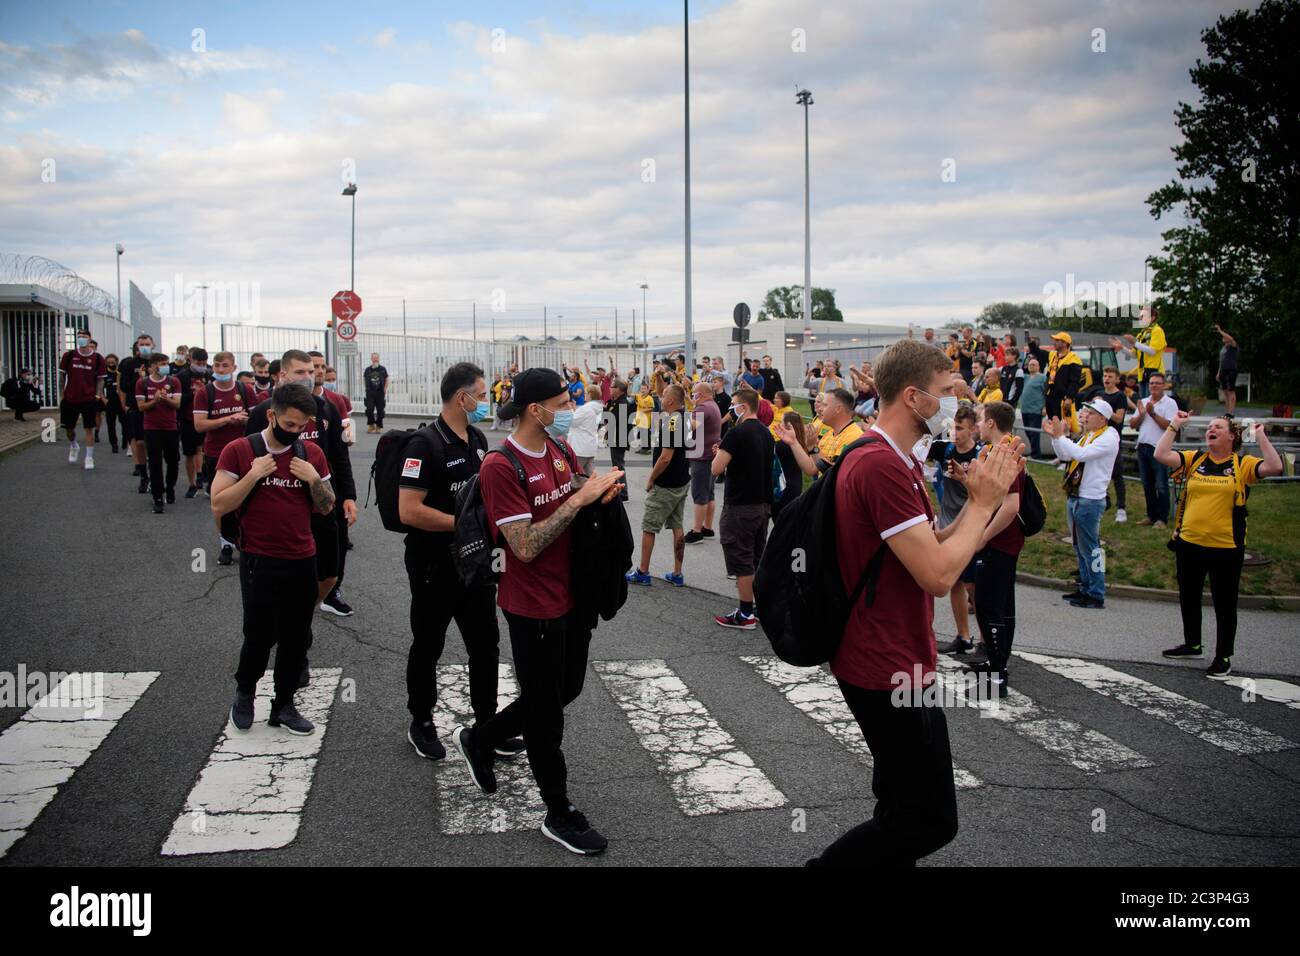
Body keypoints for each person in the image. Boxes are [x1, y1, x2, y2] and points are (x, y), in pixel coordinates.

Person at [807, 339, 1022, 867]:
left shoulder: (894, 459)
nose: (956, 402)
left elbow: (931, 546)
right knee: (927, 819)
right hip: (885, 664)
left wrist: (982, 511)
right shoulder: (880, 465)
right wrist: (982, 502)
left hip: (894, 655)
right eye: (947, 391)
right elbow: (938, 576)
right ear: (913, 397)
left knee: (902, 807)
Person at [452, 368, 623, 857]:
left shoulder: (560, 448)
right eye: (562, 403)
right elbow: (523, 545)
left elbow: (571, 495)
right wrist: (579, 499)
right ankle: (558, 811)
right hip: (532, 606)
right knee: (546, 711)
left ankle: (481, 738)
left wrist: (598, 489)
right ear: (535, 409)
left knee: (566, 688)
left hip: (574, 595)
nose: (570, 412)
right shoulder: (500, 466)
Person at [398, 362, 524, 760]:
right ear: (461, 397)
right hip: (433, 565)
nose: (486, 402)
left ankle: (487, 726)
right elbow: (409, 511)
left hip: (475, 566)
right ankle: (421, 721)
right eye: (482, 395)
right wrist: (464, 526)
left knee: (485, 645)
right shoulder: (424, 444)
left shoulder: (478, 439)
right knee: (428, 644)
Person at [212, 383, 335, 737]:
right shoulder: (240, 450)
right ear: (271, 415)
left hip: (301, 557)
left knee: (297, 637)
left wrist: (314, 480)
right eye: (290, 424)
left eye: (302, 426)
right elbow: (219, 505)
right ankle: (245, 692)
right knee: (259, 634)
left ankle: (283, 704)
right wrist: (253, 474)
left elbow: (326, 508)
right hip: (259, 559)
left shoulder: (311, 454)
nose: (295, 431)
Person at [1158, 413, 1284, 677]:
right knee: (1188, 596)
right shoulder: (1195, 460)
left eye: (1218, 427)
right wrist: (1175, 425)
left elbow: (1274, 467)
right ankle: (1193, 643)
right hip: (1189, 543)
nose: (1210, 430)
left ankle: (1224, 655)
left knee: (1224, 603)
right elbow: (1161, 454)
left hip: (1225, 547)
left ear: (1232, 436)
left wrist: (1261, 435)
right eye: (1209, 427)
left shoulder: (1242, 464)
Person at [245, 351, 357, 629]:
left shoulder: (325, 408)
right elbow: (248, 459)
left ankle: (321, 600)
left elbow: (339, 456)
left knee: (331, 567)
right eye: (300, 372)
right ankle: (290, 621)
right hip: (281, 504)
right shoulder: (262, 413)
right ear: (282, 375)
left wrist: (349, 496)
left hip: (323, 499)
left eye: (311, 371)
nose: (309, 377)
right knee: (285, 569)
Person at [958, 402, 1024, 697]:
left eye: (982, 420)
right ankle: (998, 664)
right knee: (1000, 606)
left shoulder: (1005, 453)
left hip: (999, 542)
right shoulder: (1003, 451)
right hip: (1002, 541)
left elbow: (1011, 505)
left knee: (988, 606)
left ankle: (998, 675)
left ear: (993, 424)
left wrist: (983, 536)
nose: (978, 425)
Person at [1044, 398, 1120, 609]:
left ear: (1103, 419)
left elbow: (1081, 455)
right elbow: (1066, 455)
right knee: (1080, 547)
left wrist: (1061, 436)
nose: (1085, 415)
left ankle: (1096, 593)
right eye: (1086, 411)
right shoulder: (1090, 435)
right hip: (1077, 495)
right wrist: (1056, 439)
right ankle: (1085, 588)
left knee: (1092, 549)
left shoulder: (1108, 438)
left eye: (1091, 413)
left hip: (1090, 500)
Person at [711, 387, 773, 629]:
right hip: (762, 503)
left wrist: (719, 455)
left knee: (741, 558)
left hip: (740, 504)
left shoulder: (737, 433)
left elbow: (716, 469)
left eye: (733, 406)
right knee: (755, 556)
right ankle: (757, 605)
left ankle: (745, 613)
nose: (730, 410)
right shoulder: (766, 433)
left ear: (743, 407)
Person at [925, 404, 983, 655]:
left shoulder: (981, 457)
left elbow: (984, 496)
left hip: (970, 524)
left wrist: (964, 479)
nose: (954, 433)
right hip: (948, 523)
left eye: (960, 429)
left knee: (972, 585)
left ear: (972, 430)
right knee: (956, 583)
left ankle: (985, 638)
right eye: (952, 428)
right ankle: (963, 636)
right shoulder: (945, 449)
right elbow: (916, 447)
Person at [195, 352, 257, 565]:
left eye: (225, 366)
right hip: (216, 453)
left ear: (234, 367)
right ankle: (225, 543)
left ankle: (246, 539)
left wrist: (244, 420)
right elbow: (200, 425)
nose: (221, 370)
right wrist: (228, 419)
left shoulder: (245, 390)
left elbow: (256, 419)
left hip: (245, 452)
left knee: (248, 498)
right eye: (217, 366)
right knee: (222, 502)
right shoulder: (206, 392)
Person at [627, 384, 691, 586]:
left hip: (666, 483)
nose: (660, 398)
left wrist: (651, 478)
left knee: (649, 527)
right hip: (682, 479)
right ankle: (677, 573)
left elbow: (665, 457)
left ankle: (643, 571)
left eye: (663, 396)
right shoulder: (685, 416)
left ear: (671, 400)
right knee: (677, 525)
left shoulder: (672, 421)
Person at [777, 387, 863, 478]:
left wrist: (814, 448)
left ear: (838, 409)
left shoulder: (853, 437)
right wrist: (793, 442)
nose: (820, 409)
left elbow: (834, 474)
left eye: (825, 405)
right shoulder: (829, 434)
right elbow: (811, 469)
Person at [1129, 372, 1178, 528]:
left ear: (1164, 385)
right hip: (1142, 447)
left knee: (1161, 484)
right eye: (1151, 383)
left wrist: (1153, 414)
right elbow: (1132, 424)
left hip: (1159, 450)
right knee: (1147, 484)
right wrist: (1142, 414)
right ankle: (1151, 515)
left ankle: (1162, 518)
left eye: (1157, 383)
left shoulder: (1170, 403)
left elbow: (1169, 426)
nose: (1154, 386)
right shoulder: (1143, 401)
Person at [135, 354, 182, 514]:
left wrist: (164, 399)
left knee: (173, 461)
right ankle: (157, 496)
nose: (165, 366)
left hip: (171, 427)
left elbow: (177, 404)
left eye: (167, 363)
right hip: (151, 428)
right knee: (154, 463)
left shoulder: (173, 381)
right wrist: (155, 401)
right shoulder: (143, 383)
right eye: (162, 364)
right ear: (154, 366)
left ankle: (170, 488)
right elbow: (141, 407)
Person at [58, 329, 106, 470]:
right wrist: (62, 394)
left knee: (88, 428)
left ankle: (89, 457)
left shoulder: (98, 359)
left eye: (84, 336)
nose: (81, 338)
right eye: (79, 336)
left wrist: (97, 395)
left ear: (90, 339)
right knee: (69, 429)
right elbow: (62, 377)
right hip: (70, 398)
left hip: (89, 399)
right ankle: (74, 446)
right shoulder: (69, 355)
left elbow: (100, 380)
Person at [685, 380, 721, 544]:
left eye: (694, 393)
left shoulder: (703, 408)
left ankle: (697, 531)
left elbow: (689, 427)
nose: (693, 396)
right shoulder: (712, 405)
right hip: (709, 455)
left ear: (702, 394)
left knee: (699, 493)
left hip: (702, 456)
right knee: (709, 492)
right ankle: (707, 527)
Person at [1098, 366, 1135, 523]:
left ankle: (1121, 509)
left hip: (1113, 441)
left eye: (1110, 376)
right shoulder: (1100, 394)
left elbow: (1118, 418)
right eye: (1105, 376)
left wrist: (1104, 408)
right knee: (1099, 472)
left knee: (1117, 475)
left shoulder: (1120, 396)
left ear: (1117, 379)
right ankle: (1103, 501)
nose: (1107, 379)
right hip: (1099, 438)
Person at [174, 347, 212, 498]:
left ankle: (206, 478)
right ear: (191, 360)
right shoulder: (182, 376)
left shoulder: (209, 375)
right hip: (188, 419)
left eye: (204, 363)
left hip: (207, 420)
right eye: (198, 363)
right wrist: (193, 394)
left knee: (205, 450)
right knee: (190, 452)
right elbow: (177, 400)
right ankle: (192, 483)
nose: (202, 366)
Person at [772, 407, 805, 518]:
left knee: (780, 518)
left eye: (782, 421)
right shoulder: (801, 441)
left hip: (783, 485)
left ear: (788, 425)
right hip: (796, 483)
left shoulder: (783, 445)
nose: (780, 424)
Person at [604, 378, 633, 501]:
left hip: (619, 437)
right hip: (615, 436)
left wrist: (606, 411)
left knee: (618, 465)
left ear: (619, 390)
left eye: (612, 387)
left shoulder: (622, 404)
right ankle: (620, 490)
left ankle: (623, 493)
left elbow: (611, 420)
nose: (610, 389)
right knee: (617, 464)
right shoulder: (616, 402)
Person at [1044, 331, 1083, 422]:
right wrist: (1031, 343)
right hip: (1051, 395)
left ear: (1065, 343)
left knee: (1065, 425)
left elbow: (1075, 381)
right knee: (1052, 424)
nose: (1054, 342)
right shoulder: (1053, 355)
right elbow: (1040, 353)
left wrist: (1069, 397)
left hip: (1062, 399)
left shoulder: (1073, 358)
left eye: (1057, 340)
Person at [101, 354, 124, 453]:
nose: (111, 364)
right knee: (111, 425)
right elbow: (99, 389)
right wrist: (103, 399)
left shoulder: (120, 373)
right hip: (110, 402)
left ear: (117, 362)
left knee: (125, 423)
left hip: (121, 401)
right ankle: (114, 444)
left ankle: (125, 439)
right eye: (109, 363)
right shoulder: (104, 374)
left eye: (113, 362)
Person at [1214, 324, 1239, 414]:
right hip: (1223, 370)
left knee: (1231, 390)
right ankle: (1227, 411)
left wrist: (1220, 331)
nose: (1223, 337)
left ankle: (1231, 412)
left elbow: (1231, 339)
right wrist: (1218, 372)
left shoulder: (1233, 346)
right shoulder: (1223, 348)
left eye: (1225, 335)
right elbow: (1221, 361)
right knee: (1225, 391)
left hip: (1231, 370)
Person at [363, 353, 389, 432]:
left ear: (379, 359)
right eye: (374, 358)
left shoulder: (382, 369)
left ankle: (379, 426)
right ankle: (371, 425)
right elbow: (364, 378)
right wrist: (366, 388)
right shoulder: (368, 369)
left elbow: (387, 378)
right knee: (369, 409)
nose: (375, 359)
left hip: (380, 392)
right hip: (370, 393)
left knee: (380, 410)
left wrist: (385, 388)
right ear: (371, 359)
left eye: (377, 358)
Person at [634, 380, 655, 453]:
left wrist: (644, 411)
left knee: (646, 434)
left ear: (648, 390)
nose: (643, 390)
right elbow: (629, 394)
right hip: (640, 419)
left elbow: (652, 408)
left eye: (644, 389)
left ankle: (648, 448)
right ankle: (643, 447)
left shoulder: (649, 398)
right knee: (642, 434)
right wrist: (629, 386)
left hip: (646, 419)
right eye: (642, 388)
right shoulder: (639, 396)